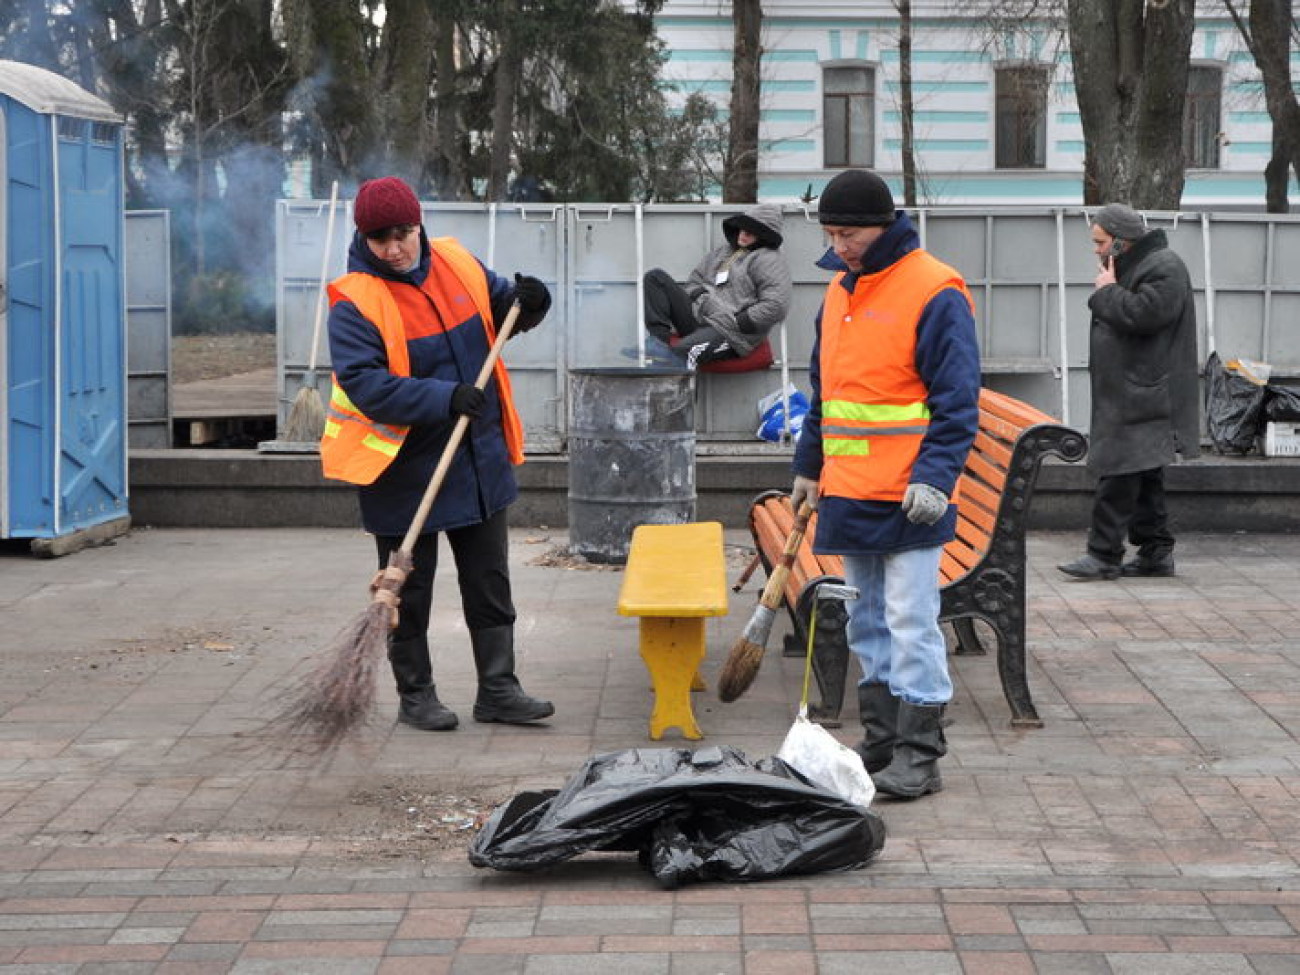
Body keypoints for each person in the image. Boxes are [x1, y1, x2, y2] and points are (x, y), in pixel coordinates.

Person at [321, 175, 554, 732]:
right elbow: (366, 384)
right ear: (364, 239)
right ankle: (416, 695)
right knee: (411, 590)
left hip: (477, 460)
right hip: (402, 471)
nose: (395, 248)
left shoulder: (457, 262)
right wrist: (444, 396)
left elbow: (503, 311)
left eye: (403, 233)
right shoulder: (355, 302)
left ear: (419, 225)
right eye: (381, 240)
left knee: (489, 581)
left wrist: (531, 303)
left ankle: (499, 690)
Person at [790, 169, 980, 800]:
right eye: (831, 233)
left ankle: (921, 753)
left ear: (882, 226)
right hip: (851, 487)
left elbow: (956, 400)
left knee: (909, 616)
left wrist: (935, 478)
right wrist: (809, 467)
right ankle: (882, 739)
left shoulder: (933, 289)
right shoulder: (841, 292)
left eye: (849, 233)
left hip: (909, 496)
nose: (839, 245)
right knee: (867, 617)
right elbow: (829, 394)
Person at [1057, 203, 1200, 581]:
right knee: (1144, 474)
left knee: (1118, 471)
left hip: (1143, 393)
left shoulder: (1164, 266)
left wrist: (1106, 292)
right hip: (1134, 390)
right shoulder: (1140, 264)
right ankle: (1155, 552)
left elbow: (1145, 314)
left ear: (1121, 242)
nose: (1096, 249)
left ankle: (1104, 554)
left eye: (1100, 242)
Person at [639, 202, 792, 370]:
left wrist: (738, 322)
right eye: (742, 227)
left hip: (730, 332)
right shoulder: (723, 251)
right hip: (699, 315)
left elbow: (777, 305)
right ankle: (658, 342)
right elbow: (694, 280)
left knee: (675, 355)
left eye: (751, 231)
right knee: (655, 278)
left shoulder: (769, 259)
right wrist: (703, 299)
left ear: (763, 236)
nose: (743, 234)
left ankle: (668, 357)